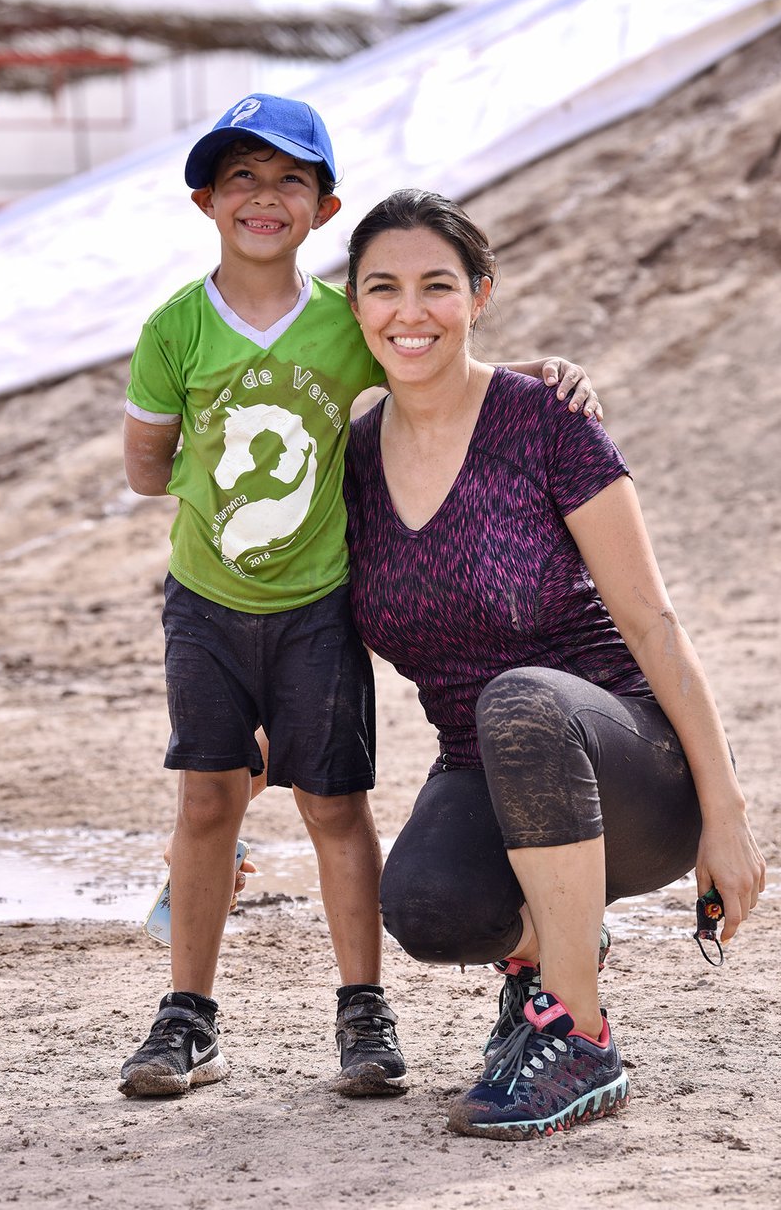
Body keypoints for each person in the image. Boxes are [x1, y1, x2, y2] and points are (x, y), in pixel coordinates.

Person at [119, 95, 599, 1100]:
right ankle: (188, 1016)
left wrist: (537, 373)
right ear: (203, 198)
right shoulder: (172, 329)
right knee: (208, 799)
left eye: (289, 178)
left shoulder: (345, 324)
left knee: (332, 806)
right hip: (204, 605)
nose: (263, 196)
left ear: (324, 208)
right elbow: (144, 468)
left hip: (318, 607)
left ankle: (361, 1013)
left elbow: (430, 363)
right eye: (240, 178)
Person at [342, 188, 766, 1140]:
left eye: (438, 286)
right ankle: (547, 949)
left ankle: (579, 1034)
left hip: (630, 767)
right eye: (385, 288)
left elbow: (655, 623)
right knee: (427, 906)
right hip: (486, 770)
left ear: (479, 296)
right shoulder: (353, 461)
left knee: (523, 701)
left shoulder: (545, 420)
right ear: (356, 307)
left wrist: (727, 816)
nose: (412, 312)